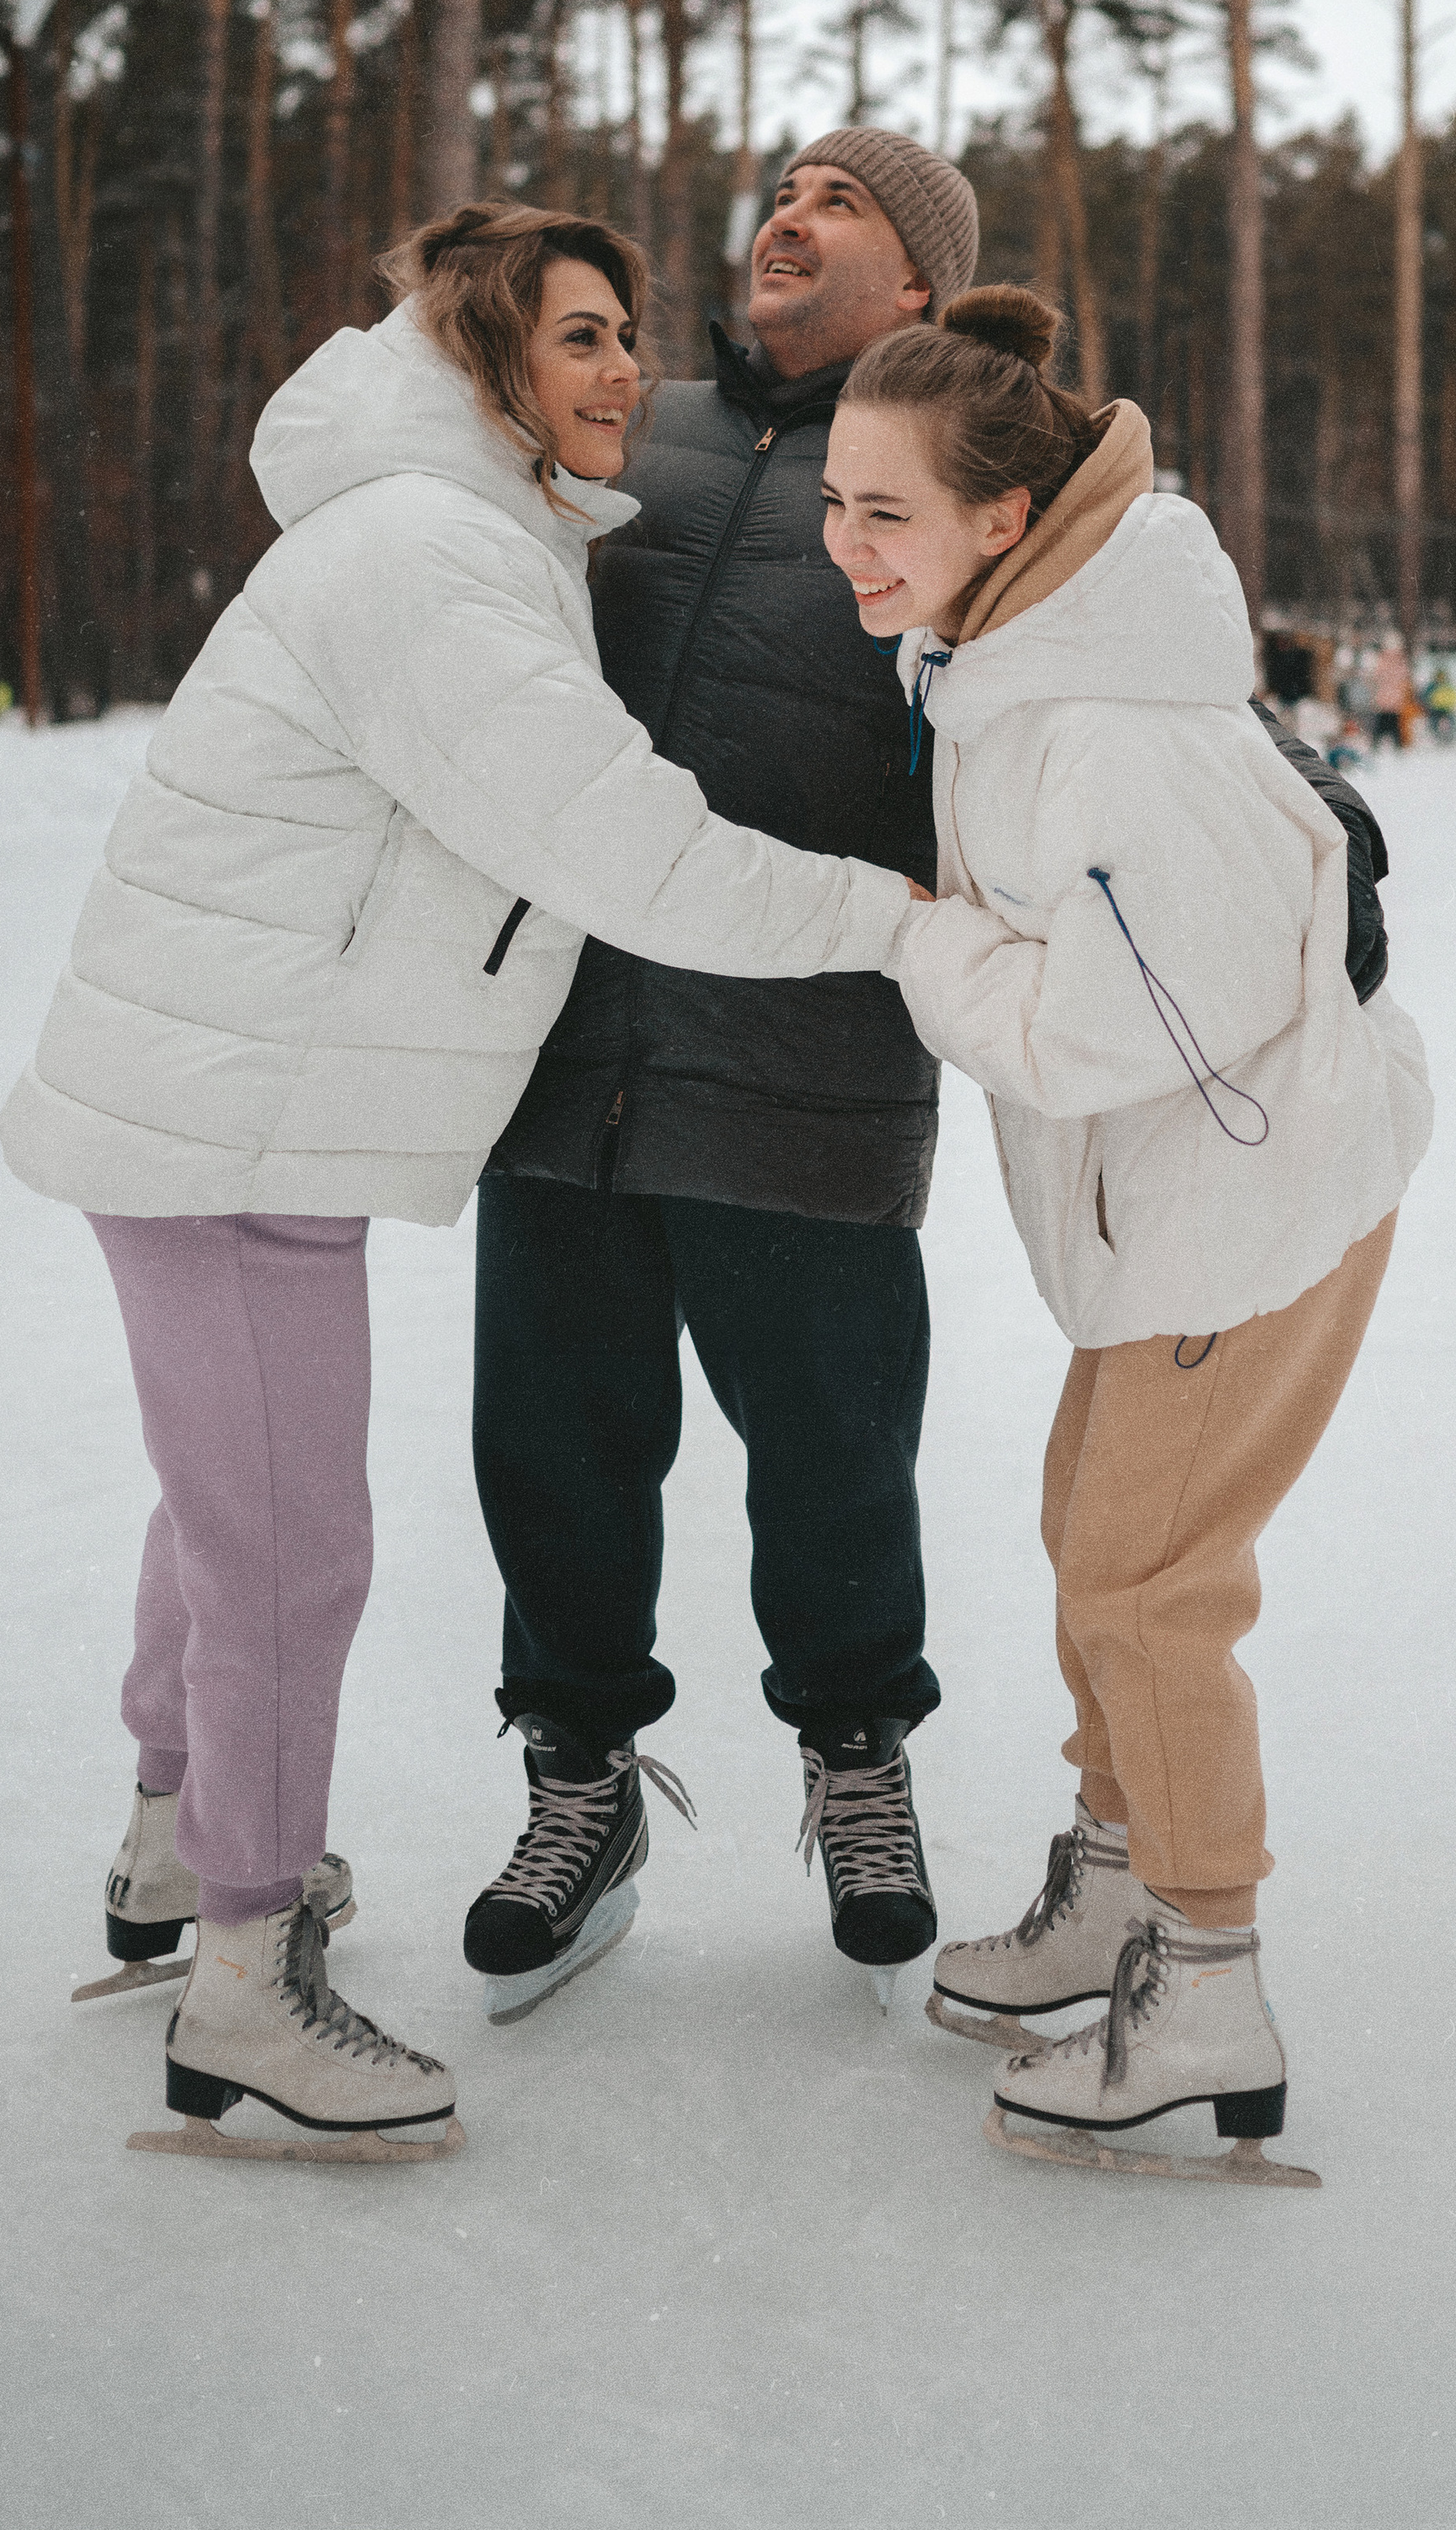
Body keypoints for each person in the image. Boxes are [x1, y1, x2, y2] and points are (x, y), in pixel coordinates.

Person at [0, 203, 923, 2154]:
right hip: (239, 1107)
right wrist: (899, 919)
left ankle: (173, 1843)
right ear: (480, 354)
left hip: (249, 1096)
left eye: (626, 334)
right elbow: (625, 849)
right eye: (579, 335)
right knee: (288, 1550)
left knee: (226, 1506)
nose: (623, 370)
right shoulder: (437, 556)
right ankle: (247, 1976)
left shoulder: (463, 525)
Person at [819, 286, 1432, 2173]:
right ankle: (1112, 1882)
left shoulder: (1102, 725)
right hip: (1170, 1200)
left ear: (1003, 518)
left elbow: (1098, 1029)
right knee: (1089, 1528)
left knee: (1146, 1581)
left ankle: (1207, 1979)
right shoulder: (1007, 665)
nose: (843, 544)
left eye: (885, 511)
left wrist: (917, 936)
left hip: (1243, 1199)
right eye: (834, 500)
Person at [468, 131, 973, 2009]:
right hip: (562, 1046)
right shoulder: (627, 422)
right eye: (786, 187)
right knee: (550, 1445)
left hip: (807, 1049)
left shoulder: (963, 453)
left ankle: (858, 1760)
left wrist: (1308, 801)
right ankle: (578, 1785)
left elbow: (1116, 650)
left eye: (844, 201)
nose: (791, 213)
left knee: (836, 1452)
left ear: (916, 282)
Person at [1368, 633, 1410, 752]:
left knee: (1382, 724)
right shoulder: (1400, 660)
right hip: (1395, 699)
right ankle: (1398, 746)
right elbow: (1404, 679)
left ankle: (1376, 745)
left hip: (1384, 699)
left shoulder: (1382, 659)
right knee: (1394, 725)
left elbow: (1376, 677)